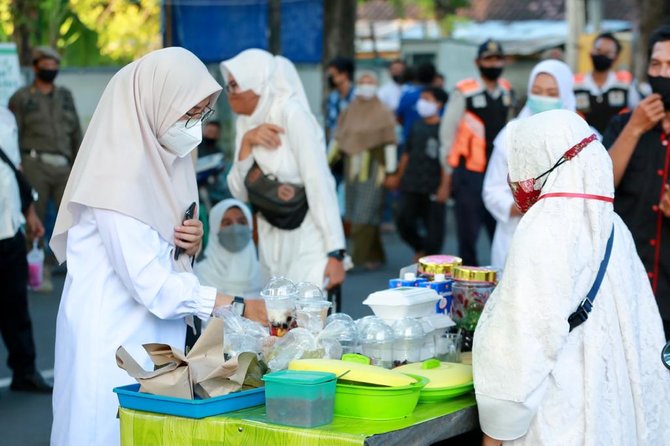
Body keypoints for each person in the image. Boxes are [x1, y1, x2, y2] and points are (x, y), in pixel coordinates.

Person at [49, 48, 267, 446]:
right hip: (113, 339)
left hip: (157, 336)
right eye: (189, 113)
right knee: (106, 431)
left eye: (202, 113)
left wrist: (188, 243)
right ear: (155, 102)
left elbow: (160, 246)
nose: (195, 126)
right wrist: (235, 305)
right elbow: (149, 281)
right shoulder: (115, 175)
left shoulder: (163, 161)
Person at [473, 109, 670, 446]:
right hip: (612, 409)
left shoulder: (544, 228)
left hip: (558, 416)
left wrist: (496, 432)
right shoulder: (612, 224)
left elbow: (522, 342)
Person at [221, 49, 346, 289]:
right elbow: (240, 193)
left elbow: (319, 182)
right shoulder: (244, 123)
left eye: (235, 85)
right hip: (270, 238)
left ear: (256, 82)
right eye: (229, 86)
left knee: (309, 318)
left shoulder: (292, 114)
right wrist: (247, 142)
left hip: (309, 236)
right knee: (279, 319)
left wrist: (335, 251)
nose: (231, 94)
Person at [604, 25, 670, 338]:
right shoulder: (625, 122)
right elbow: (600, 187)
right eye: (656, 65)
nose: (662, 73)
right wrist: (635, 128)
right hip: (627, 289)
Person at [483, 59, 576, 270]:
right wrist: (519, 205)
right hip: (516, 237)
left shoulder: (584, 138)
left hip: (564, 241)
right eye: (537, 91)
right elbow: (491, 190)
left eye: (552, 93)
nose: (543, 98)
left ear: (566, 95)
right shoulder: (510, 135)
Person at [9, 46, 82, 293]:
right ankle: (39, 270)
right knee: (35, 218)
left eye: (54, 66)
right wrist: (17, 170)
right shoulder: (22, 98)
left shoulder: (65, 96)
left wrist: (81, 164)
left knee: (74, 217)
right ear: (35, 66)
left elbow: (75, 133)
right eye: (46, 65)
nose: (51, 70)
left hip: (64, 165)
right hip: (34, 164)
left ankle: (74, 266)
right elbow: (12, 135)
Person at [440, 39, 515, 266]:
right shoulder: (464, 91)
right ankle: (469, 289)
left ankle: (501, 281)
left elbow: (511, 129)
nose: (493, 64)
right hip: (469, 172)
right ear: (478, 62)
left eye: (497, 59)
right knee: (468, 235)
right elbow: (447, 133)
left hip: (499, 172)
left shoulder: (507, 91)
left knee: (501, 230)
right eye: (488, 59)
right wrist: (447, 173)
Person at [0, 106, 51, 393]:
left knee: (16, 305)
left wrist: (30, 214)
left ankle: (25, 371)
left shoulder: (6, 116)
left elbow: (14, 168)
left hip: (9, 227)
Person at [331, 71, 397, 270]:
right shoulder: (349, 110)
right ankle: (374, 256)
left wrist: (392, 171)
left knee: (365, 211)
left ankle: (355, 258)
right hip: (352, 167)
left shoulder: (383, 111)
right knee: (355, 210)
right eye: (362, 82)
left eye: (370, 82)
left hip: (375, 167)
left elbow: (390, 142)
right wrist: (326, 162)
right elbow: (339, 138)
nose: (366, 86)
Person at [392, 87, 450, 260]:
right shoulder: (416, 125)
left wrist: (444, 186)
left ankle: (431, 261)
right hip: (411, 183)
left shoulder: (444, 129)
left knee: (434, 230)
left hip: (433, 185)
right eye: (422, 98)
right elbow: (406, 153)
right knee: (403, 220)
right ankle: (420, 247)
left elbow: (448, 160)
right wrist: (398, 176)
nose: (422, 103)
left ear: (438, 104)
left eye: (427, 98)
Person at [574, 32, 640, 135]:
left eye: (607, 53)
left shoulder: (625, 84)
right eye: (598, 50)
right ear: (591, 52)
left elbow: (637, 114)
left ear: (616, 57)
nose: (601, 55)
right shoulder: (576, 84)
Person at [194, 199, 261, 297]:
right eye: (227, 223)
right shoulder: (198, 275)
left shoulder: (264, 272)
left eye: (242, 222)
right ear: (215, 229)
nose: (236, 229)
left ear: (250, 227)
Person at [396, 62, 437, 145]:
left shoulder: (407, 95)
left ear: (416, 76)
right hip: (434, 141)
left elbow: (399, 117)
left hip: (409, 140)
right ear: (434, 77)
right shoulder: (439, 96)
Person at [325, 56, 355, 142]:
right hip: (336, 141)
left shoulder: (357, 96)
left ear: (344, 73)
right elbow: (330, 123)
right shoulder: (332, 97)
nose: (332, 77)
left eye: (334, 74)